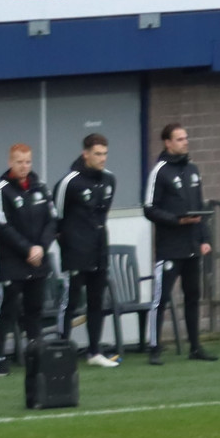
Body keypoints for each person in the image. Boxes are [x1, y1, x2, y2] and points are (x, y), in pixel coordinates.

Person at [143, 122, 215, 362]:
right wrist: (176, 220)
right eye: (180, 139)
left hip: (192, 246)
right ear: (168, 143)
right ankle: (154, 348)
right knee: (161, 298)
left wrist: (204, 238)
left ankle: (195, 347)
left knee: (193, 296)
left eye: (186, 138)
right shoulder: (159, 171)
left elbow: (200, 206)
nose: (185, 142)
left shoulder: (193, 169)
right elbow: (149, 209)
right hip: (170, 247)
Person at [0, 142, 57, 366]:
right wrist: (27, 249)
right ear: (10, 162)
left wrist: (41, 247)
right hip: (12, 263)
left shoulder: (41, 187)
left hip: (38, 261)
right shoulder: (1, 190)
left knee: (35, 310)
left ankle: (35, 355)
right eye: (19, 162)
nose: (24, 166)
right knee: (7, 310)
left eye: (27, 162)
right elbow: (2, 226)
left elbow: (52, 220)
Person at [57, 130, 123, 367]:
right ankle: (61, 350)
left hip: (99, 250)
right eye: (97, 154)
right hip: (75, 252)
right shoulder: (69, 182)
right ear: (85, 154)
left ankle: (94, 352)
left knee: (97, 301)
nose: (102, 158)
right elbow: (57, 218)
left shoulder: (109, 180)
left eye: (105, 154)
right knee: (70, 303)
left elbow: (101, 214)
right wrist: (70, 244)